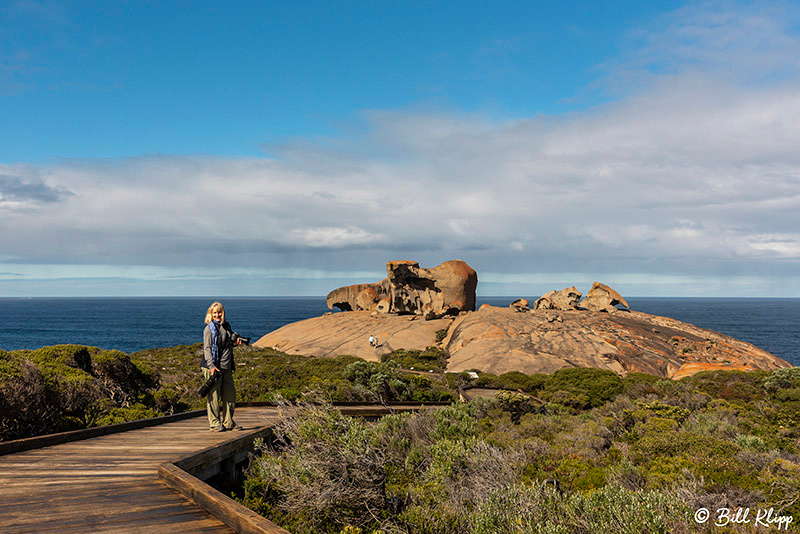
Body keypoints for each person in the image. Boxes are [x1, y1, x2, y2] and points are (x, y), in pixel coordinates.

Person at [202, 301, 242, 432]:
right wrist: (211, 366)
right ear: (211, 314)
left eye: (219, 312)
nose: (217, 315)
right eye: (214, 313)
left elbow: (227, 344)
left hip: (226, 366)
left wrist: (235, 343)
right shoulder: (209, 329)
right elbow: (207, 349)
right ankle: (214, 423)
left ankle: (228, 422)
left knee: (230, 394)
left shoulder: (226, 326)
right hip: (213, 366)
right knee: (213, 396)